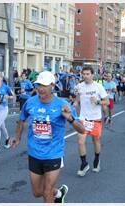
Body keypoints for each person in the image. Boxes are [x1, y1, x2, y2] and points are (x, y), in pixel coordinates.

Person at [9, 71, 85, 203]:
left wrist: (70, 118)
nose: (40, 88)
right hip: (34, 152)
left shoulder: (62, 104)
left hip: (53, 153)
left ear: (52, 86)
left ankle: (52, 194)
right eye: (38, 85)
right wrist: (17, 136)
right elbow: (22, 119)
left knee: (47, 191)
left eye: (44, 85)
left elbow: (82, 130)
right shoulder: (30, 102)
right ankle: (59, 193)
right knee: (37, 192)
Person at [74, 66, 109, 176]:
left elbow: (107, 102)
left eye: (88, 74)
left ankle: (97, 160)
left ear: (92, 75)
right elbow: (78, 97)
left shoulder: (98, 87)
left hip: (95, 118)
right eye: (83, 74)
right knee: (80, 141)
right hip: (83, 118)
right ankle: (84, 164)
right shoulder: (79, 86)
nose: (85, 76)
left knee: (96, 141)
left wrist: (98, 102)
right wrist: (75, 103)